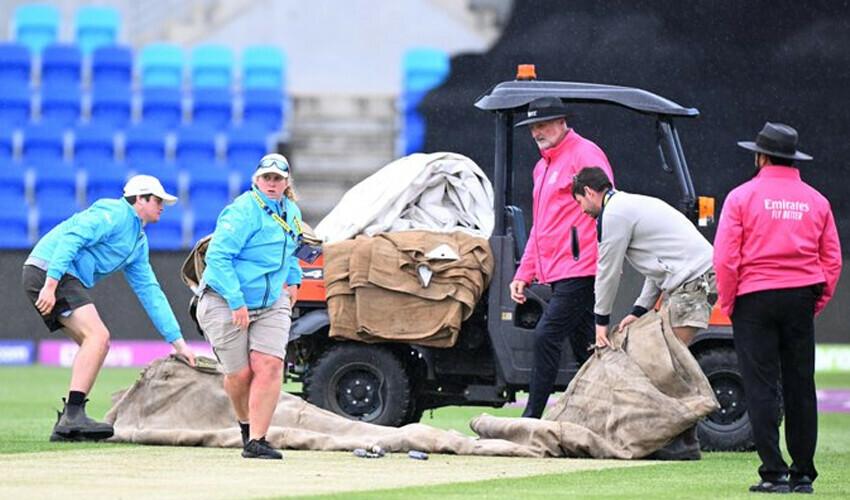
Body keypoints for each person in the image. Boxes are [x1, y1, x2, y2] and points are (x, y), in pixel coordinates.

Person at [714, 122, 842, 494]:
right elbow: (831, 260)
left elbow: (725, 257)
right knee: (801, 385)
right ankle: (804, 473)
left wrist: (730, 299)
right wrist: (818, 298)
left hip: (754, 298)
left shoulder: (741, 197)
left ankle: (774, 473)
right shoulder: (816, 201)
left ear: (761, 156)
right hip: (800, 296)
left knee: (761, 386)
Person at [22, 175, 196, 442]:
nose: (163, 206)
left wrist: (179, 343)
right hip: (49, 270)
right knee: (98, 337)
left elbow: (151, 293)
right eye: (158, 200)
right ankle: (73, 415)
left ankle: (67, 424)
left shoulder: (137, 241)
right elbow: (72, 237)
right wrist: (51, 283)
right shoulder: (114, 212)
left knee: (95, 345)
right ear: (140, 199)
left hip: (53, 274)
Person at [508, 97, 614, 418]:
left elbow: (607, 205)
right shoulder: (543, 166)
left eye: (542, 124)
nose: (536, 132)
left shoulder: (584, 154)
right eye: (532, 127)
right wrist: (524, 272)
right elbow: (542, 226)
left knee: (546, 336)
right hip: (560, 271)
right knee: (587, 350)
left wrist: (599, 257)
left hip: (580, 268)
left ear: (561, 122)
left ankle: (532, 417)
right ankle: (605, 414)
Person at [197, 153, 303, 460]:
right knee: (240, 375)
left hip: (271, 302)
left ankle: (257, 440)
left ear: (286, 183)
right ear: (256, 181)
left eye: (278, 179)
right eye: (266, 178)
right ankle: (246, 427)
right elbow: (217, 258)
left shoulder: (292, 210)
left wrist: (293, 280)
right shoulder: (242, 211)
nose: (272, 183)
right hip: (225, 300)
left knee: (269, 366)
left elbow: (294, 248)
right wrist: (236, 300)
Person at [570, 166, 716, 349]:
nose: (582, 210)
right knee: (663, 357)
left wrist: (600, 324)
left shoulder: (614, 214)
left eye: (579, 202)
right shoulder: (630, 204)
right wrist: (639, 311)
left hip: (693, 281)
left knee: (667, 359)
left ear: (588, 192)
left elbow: (607, 273)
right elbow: (657, 266)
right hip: (699, 277)